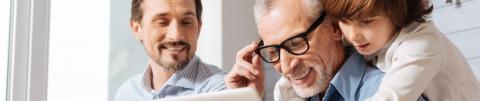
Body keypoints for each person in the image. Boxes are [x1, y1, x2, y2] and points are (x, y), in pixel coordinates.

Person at [224, 0, 427, 101]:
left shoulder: (395, 93)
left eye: (296, 43)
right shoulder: (290, 95)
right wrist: (245, 97)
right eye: (273, 52)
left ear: (335, 27)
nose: (286, 67)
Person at [322, 0, 480, 100]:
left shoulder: (420, 46)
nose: (352, 35)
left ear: (396, 12)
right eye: (344, 21)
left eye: (367, 21)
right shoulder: (371, 37)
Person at [114, 0, 226, 100]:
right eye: (162, 22)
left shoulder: (220, 90)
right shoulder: (126, 93)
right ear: (137, 29)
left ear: (199, 27)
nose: (176, 35)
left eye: (186, 22)